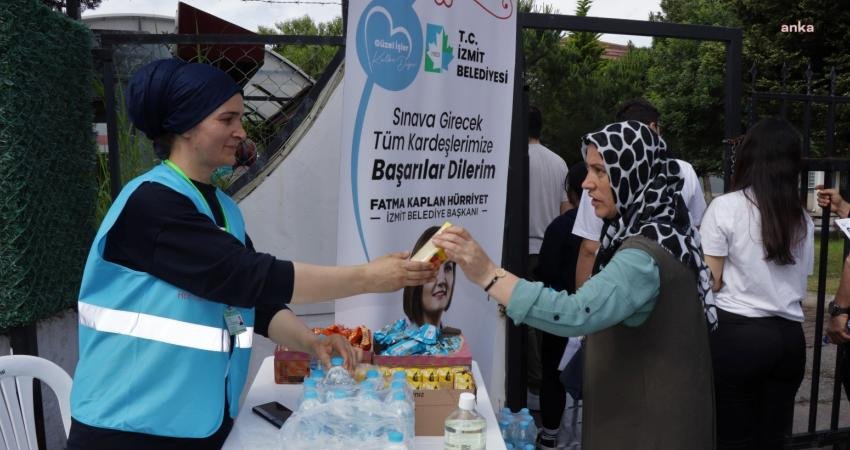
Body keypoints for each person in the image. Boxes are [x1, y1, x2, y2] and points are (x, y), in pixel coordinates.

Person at [67, 59, 435, 450]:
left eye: (240, 118)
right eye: (227, 119)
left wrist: (311, 342)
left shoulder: (223, 209)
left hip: (199, 421)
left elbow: (255, 300)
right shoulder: (151, 205)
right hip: (128, 429)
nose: (240, 131)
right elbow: (250, 275)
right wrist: (367, 278)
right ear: (186, 126)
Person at [433, 120, 716, 450]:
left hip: (648, 427)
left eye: (600, 171)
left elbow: (574, 312)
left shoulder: (643, 255)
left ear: (633, 173)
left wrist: (488, 274)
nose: (586, 183)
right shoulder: (663, 228)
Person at [700, 117, 813, 449]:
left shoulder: (726, 207)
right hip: (790, 340)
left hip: (739, 335)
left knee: (732, 439)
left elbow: (712, 281)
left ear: (750, 156)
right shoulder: (801, 218)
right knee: (772, 439)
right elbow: (799, 279)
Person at [573, 98, 707, 288]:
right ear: (654, 126)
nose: (587, 183)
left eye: (600, 170)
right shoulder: (683, 170)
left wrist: (582, 303)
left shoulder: (641, 251)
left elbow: (589, 247)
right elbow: (697, 230)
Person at [532, 162, 587, 450]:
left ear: (573, 192)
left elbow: (546, 269)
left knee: (552, 373)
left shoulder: (562, 226)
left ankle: (551, 434)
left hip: (560, 311)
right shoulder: (617, 224)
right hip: (600, 314)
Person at [526, 105, 570, 406]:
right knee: (546, 321)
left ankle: (534, 384)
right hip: (551, 251)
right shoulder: (559, 162)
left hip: (521, 252)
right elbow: (566, 212)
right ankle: (546, 383)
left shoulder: (513, 159)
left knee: (525, 322)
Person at [403, 226, 457, 328]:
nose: (442, 280)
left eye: (448, 268)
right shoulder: (399, 342)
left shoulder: (458, 341)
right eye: (433, 268)